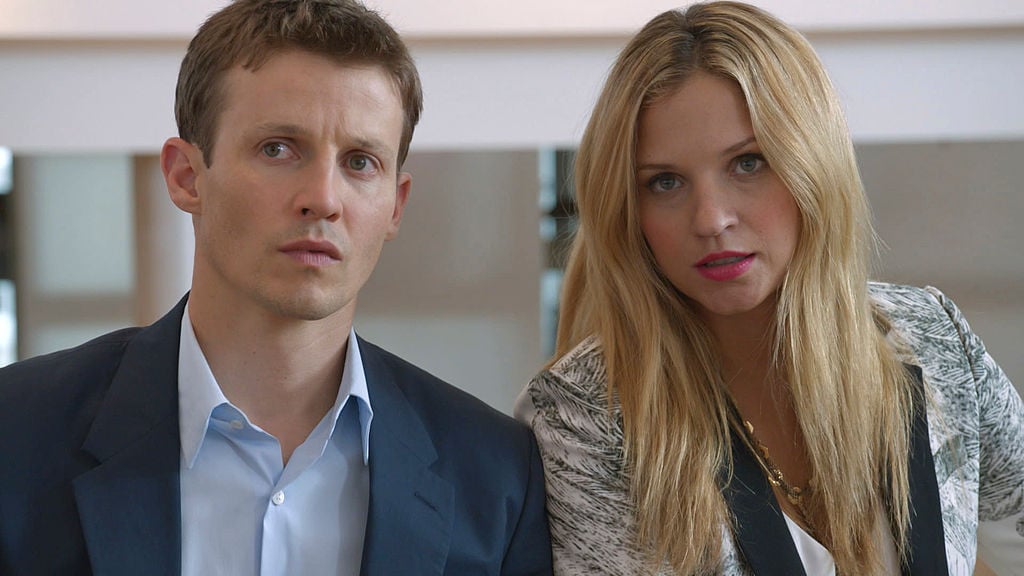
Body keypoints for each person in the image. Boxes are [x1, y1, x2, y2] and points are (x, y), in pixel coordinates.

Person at [0, 1, 552, 574]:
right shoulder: (16, 432)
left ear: (395, 205)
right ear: (187, 177)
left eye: (360, 162)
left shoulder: (496, 477)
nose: (324, 199)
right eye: (278, 149)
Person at [515, 2, 1024, 574]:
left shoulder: (930, 336)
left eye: (748, 163)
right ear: (627, 209)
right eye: (665, 182)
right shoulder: (583, 417)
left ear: (814, 164)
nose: (711, 219)